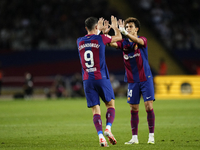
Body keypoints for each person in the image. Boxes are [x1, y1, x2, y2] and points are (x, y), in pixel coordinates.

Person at [107, 17, 155, 144]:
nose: (128, 28)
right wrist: (107, 32)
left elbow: (138, 41)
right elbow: (110, 43)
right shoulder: (124, 43)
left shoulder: (142, 39)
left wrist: (125, 33)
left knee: (148, 106)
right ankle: (134, 138)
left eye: (130, 27)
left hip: (145, 78)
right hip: (132, 81)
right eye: (127, 27)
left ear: (136, 29)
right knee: (133, 109)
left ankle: (151, 136)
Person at [76, 16, 122, 147]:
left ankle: (101, 136)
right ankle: (108, 128)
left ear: (86, 28)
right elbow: (119, 38)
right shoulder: (101, 38)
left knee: (96, 110)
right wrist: (114, 27)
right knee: (110, 105)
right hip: (101, 77)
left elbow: (91, 40)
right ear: (97, 27)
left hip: (87, 80)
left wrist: (99, 31)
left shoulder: (79, 41)